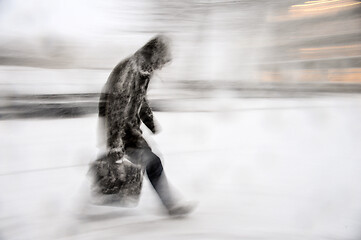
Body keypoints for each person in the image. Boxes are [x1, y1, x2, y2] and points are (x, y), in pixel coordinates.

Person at [96, 35, 195, 216]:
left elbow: (139, 99)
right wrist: (115, 145)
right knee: (148, 162)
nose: (162, 66)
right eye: (162, 61)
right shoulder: (129, 71)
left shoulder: (142, 70)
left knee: (147, 163)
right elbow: (116, 109)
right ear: (155, 55)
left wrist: (150, 121)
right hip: (119, 128)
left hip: (127, 127)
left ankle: (169, 205)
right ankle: (170, 205)